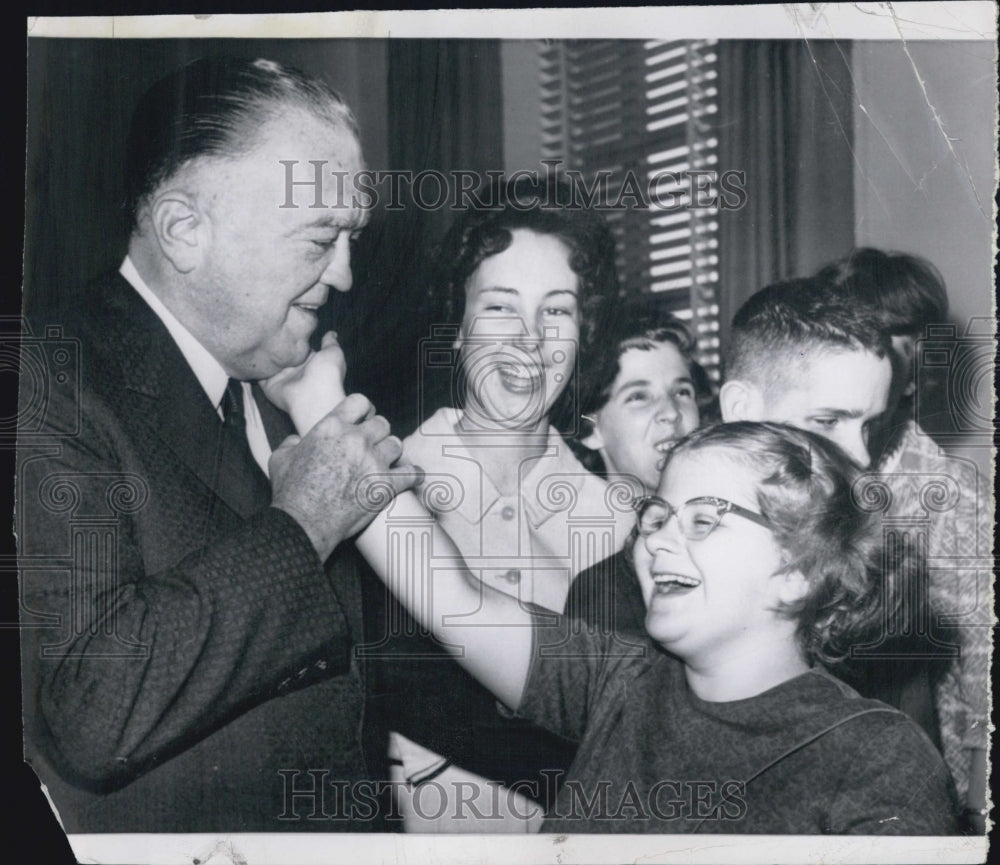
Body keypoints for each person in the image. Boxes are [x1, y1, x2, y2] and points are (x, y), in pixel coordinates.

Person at [16, 57, 417, 832]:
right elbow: (91, 709)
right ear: (184, 229)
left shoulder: (285, 384)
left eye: (353, 237)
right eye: (320, 238)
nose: (345, 274)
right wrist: (303, 523)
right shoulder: (44, 379)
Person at [358, 420, 959, 833]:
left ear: (797, 573)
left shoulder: (879, 756)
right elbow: (450, 599)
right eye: (657, 516)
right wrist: (319, 401)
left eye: (702, 521)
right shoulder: (617, 683)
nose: (657, 540)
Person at [377, 177, 637, 831]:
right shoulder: (378, 489)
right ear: (456, 328)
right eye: (499, 307)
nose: (529, 339)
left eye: (556, 310)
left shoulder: (622, 524)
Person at [717, 276, 943, 747]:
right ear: (741, 410)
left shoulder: (877, 588)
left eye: (869, 425)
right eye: (827, 421)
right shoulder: (648, 581)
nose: (860, 457)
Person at [817, 248, 991, 833]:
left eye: (889, 343)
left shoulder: (955, 502)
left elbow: (986, 691)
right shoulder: (802, 474)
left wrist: (972, 820)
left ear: (915, 367)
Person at [565, 295, 715, 638]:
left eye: (682, 392)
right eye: (638, 396)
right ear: (590, 430)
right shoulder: (594, 578)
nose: (671, 412)